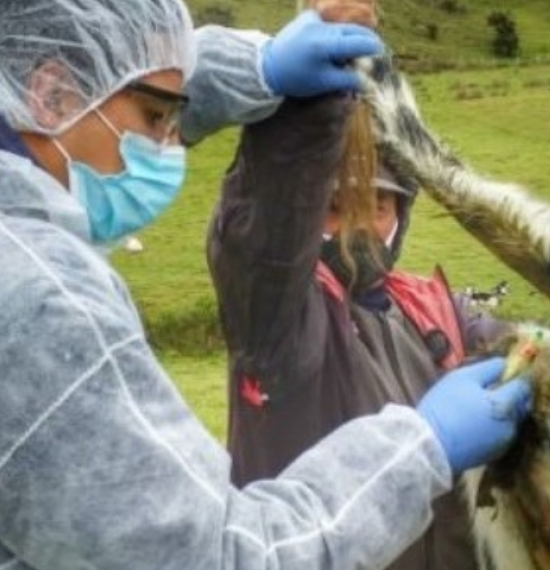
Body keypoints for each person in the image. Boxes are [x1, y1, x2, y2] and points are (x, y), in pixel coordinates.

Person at [0, 0, 532, 568]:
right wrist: (423, 446)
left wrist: (261, 67)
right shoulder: (18, 303)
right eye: (159, 119)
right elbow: (221, 556)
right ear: (51, 91)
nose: (169, 146)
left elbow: (117, 84)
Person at [207, 43, 519, 570]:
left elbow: (529, 353)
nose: (357, 224)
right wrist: (304, 119)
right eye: (334, 206)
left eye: (376, 205)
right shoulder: (282, 326)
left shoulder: (434, 311)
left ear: (400, 212)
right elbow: (262, 245)